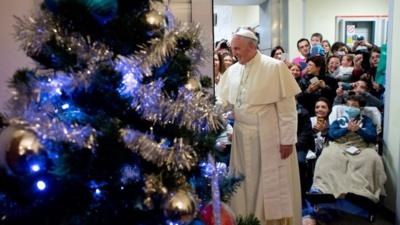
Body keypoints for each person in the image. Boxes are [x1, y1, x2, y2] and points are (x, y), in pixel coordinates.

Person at [218, 27, 302, 225]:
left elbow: (287, 109)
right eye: (232, 48)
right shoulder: (232, 70)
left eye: (237, 48)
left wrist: (288, 140)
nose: (234, 53)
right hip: (240, 135)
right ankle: (243, 218)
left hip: (269, 136)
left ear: (252, 46)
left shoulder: (275, 67)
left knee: (266, 184)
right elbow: (225, 101)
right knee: (243, 181)